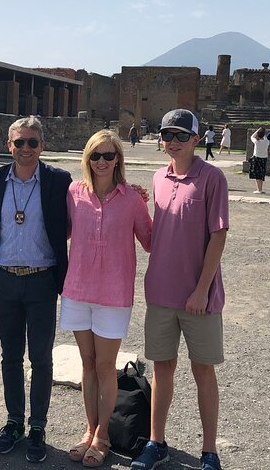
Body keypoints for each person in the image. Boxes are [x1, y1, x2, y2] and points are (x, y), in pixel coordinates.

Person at [132, 109, 229, 470]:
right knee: (162, 369)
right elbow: (156, 235)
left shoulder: (211, 178)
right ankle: (157, 442)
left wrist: (202, 289)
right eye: (166, 135)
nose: (172, 141)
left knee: (203, 369)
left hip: (198, 296)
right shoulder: (159, 177)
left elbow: (218, 235)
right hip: (160, 291)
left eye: (179, 135)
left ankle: (209, 451)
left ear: (196, 139)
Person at [0, 116, 72, 463]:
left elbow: (92, 199)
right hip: (5, 277)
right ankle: (14, 421)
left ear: (42, 145)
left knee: (41, 358)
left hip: (41, 279)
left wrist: (132, 191)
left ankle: (37, 425)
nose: (25, 149)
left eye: (32, 142)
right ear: (9, 145)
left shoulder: (58, 181)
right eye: (19, 143)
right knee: (10, 357)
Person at [62, 130, 152, 467]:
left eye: (109, 155)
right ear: (87, 159)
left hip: (114, 294)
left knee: (104, 366)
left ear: (118, 159)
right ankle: (90, 429)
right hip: (78, 290)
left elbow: (150, 240)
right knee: (87, 364)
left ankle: (102, 435)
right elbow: (60, 230)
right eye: (95, 155)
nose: (102, 161)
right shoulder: (73, 192)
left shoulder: (131, 199)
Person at [249, 127, 268, 194]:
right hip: (264, 158)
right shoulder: (266, 142)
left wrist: (257, 130)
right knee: (261, 174)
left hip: (257, 158)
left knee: (257, 174)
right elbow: (265, 137)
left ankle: (258, 189)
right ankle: (260, 189)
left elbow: (252, 136)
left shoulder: (256, 142)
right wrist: (263, 132)